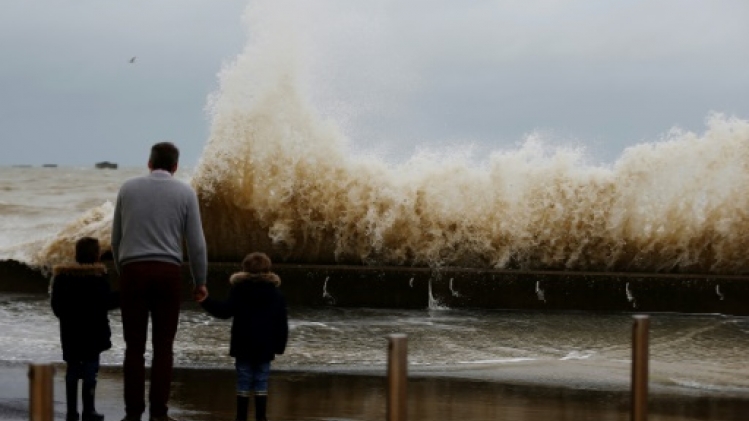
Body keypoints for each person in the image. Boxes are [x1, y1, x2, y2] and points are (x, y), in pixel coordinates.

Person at [111, 142, 208, 421]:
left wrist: (123, 269)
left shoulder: (127, 189)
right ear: (175, 167)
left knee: (134, 347)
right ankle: (158, 413)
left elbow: (116, 239)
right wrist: (199, 280)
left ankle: (132, 413)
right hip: (168, 273)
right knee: (164, 347)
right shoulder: (186, 192)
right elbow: (196, 244)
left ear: (149, 163)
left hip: (133, 271)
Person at [199, 252, 288, 421]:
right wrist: (279, 346)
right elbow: (281, 323)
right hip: (265, 346)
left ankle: (241, 417)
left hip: (243, 344)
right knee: (261, 381)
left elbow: (224, 311)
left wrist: (206, 301)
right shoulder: (276, 294)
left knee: (243, 381)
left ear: (244, 268)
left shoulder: (239, 291)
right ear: (268, 269)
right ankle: (261, 417)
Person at [51, 236, 120, 421]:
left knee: (72, 370)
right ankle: (89, 410)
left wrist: (67, 319)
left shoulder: (62, 277)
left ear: (77, 254)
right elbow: (107, 302)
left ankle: (71, 412)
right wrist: (125, 294)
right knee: (90, 370)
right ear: (97, 255)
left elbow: (56, 305)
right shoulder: (98, 277)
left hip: (70, 332)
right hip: (93, 333)